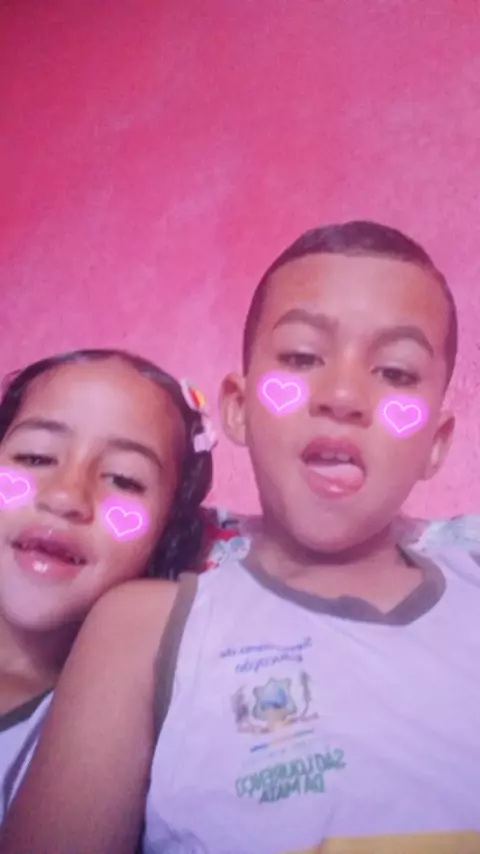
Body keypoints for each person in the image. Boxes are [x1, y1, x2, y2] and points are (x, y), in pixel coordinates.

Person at [2, 222, 479, 854]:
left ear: (438, 444)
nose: (342, 396)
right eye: (302, 357)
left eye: (394, 371)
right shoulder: (145, 629)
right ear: (237, 408)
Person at [0, 347, 215, 823]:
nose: (65, 496)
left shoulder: (136, 735)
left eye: (123, 479)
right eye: (35, 456)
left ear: (167, 531)